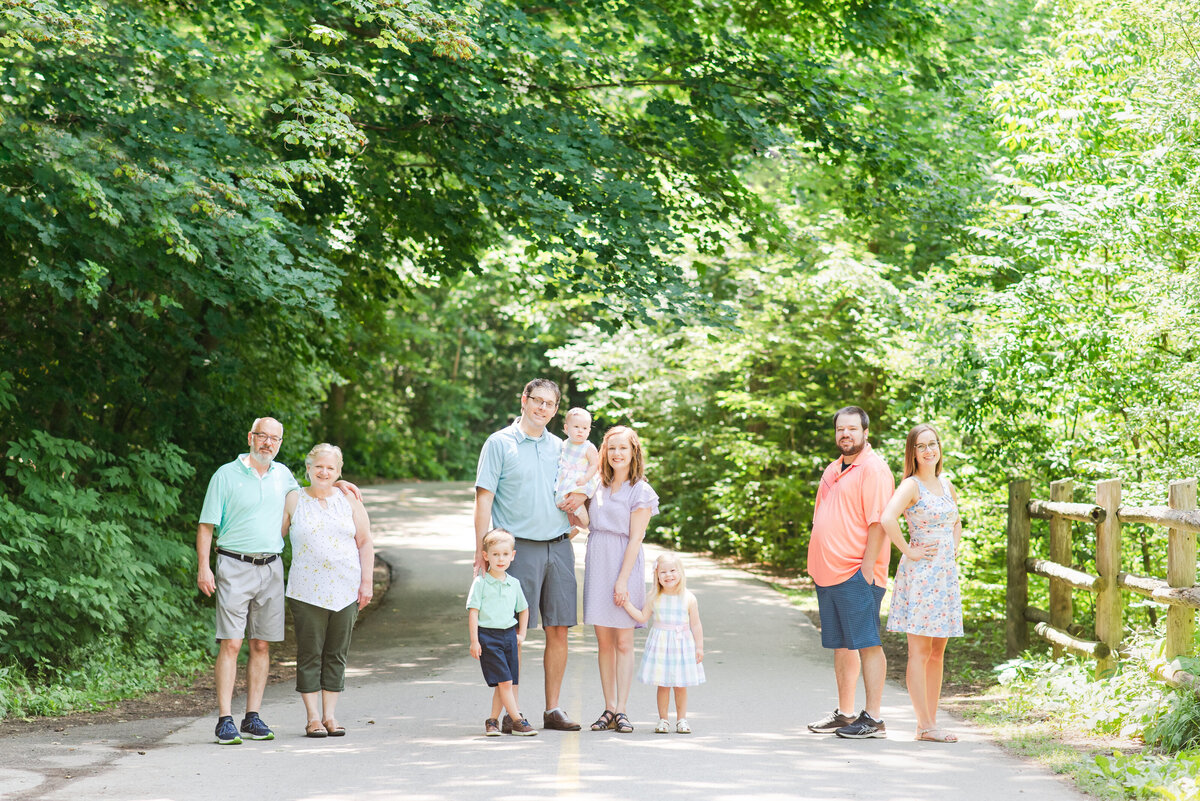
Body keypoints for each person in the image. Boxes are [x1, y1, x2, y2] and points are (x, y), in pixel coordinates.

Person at [196, 417, 358, 746]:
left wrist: (340, 484)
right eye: (262, 436)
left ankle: (252, 716)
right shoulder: (225, 475)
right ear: (250, 437)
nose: (268, 443)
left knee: (261, 644)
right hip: (234, 563)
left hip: (271, 568)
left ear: (280, 444)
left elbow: (315, 487)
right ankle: (225, 719)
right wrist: (204, 567)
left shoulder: (283, 475)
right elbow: (206, 526)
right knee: (232, 643)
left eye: (275, 439)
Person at [474, 378, 583, 733]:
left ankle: (553, 709)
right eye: (537, 401)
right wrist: (482, 550)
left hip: (559, 546)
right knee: (510, 634)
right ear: (523, 400)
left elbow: (583, 481)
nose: (543, 409)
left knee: (559, 628)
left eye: (551, 404)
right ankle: (512, 712)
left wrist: (580, 505)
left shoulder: (562, 447)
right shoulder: (499, 444)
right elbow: (484, 499)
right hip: (517, 550)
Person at [806, 406, 896, 739]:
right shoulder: (833, 469)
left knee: (867, 642)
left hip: (857, 573)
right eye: (841, 429)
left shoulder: (873, 469)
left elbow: (879, 523)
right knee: (843, 645)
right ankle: (845, 714)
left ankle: (873, 719)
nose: (846, 434)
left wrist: (867, 569)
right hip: (828, 573)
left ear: (865, 433)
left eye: (853, 429)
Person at [281, 443, 374, 738]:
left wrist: (367, 582)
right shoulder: (294, 499)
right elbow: (274, 538)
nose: (324, 472)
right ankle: (312, 718)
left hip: (345, 590)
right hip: (306, 592)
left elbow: (365, 542)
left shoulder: (349, 500)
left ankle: (330, 716)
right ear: (308, 468)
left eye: (331, 468)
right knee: (310, 653)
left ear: (339, 471)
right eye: (319, 466)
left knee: (336, 653)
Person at [881, 423, 963, 743]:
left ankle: (929, 723)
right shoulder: (911, 486)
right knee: (919, 651)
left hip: (944, 576)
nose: (929, 450)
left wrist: (954, 544)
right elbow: (888, 518)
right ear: (912, 452)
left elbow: (956, 521)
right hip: (921, 576)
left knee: (938, 652)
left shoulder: (946, 483)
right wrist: (909, 550)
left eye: (933, 444)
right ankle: (926, 725)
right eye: (921, 446)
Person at [582, 425, 659, 734]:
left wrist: (622, 580)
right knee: (603, 642)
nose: (616, 453)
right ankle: (609, 708)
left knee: (624, 641)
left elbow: (636, 538)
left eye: (622, 448)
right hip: (597, 561)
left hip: (623, 563)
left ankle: (623, 710)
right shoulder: (597, 485)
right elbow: (587, 523)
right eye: (611, 448)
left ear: (633, 452)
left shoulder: (640, 490)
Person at [623, 553, 705, 734]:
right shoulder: (654, 597)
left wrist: (699, 647)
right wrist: (627, 604)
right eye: (663, 572)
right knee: (663, 684)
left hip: (682, 644)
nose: (668, 575)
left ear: (680, 572)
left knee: (680, 685)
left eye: (673, 571)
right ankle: (663, 719)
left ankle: (682, 719)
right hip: (661, 645)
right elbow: (642, 617)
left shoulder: (689, 598)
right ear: (657, 576)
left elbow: (696, 624)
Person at [467, 528, 536, 736]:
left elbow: (524, 609)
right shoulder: (480, 583)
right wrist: (474, 641)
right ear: (486, 556)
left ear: (512, 556)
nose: (500, 559)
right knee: (505, 681)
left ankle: (492, 721)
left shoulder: (513, 584)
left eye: (505, 554)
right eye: (495, 554)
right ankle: (518, 720)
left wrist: (521, 634)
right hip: (488, 637)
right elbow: (473, 612)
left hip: (509, 637)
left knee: (504, 682)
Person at [555, 407, 601, 535]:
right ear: (566, 428)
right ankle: (568, 525)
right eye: (576, 427)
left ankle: (582, 520)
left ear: (589, 431)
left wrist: (586, 478)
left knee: (577, 503)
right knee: (561, 501)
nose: (580, 431)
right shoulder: (563, 444)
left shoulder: (588, 447)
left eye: (584, 428)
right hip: (564, 478)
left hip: (579, 480)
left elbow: (594, 465)